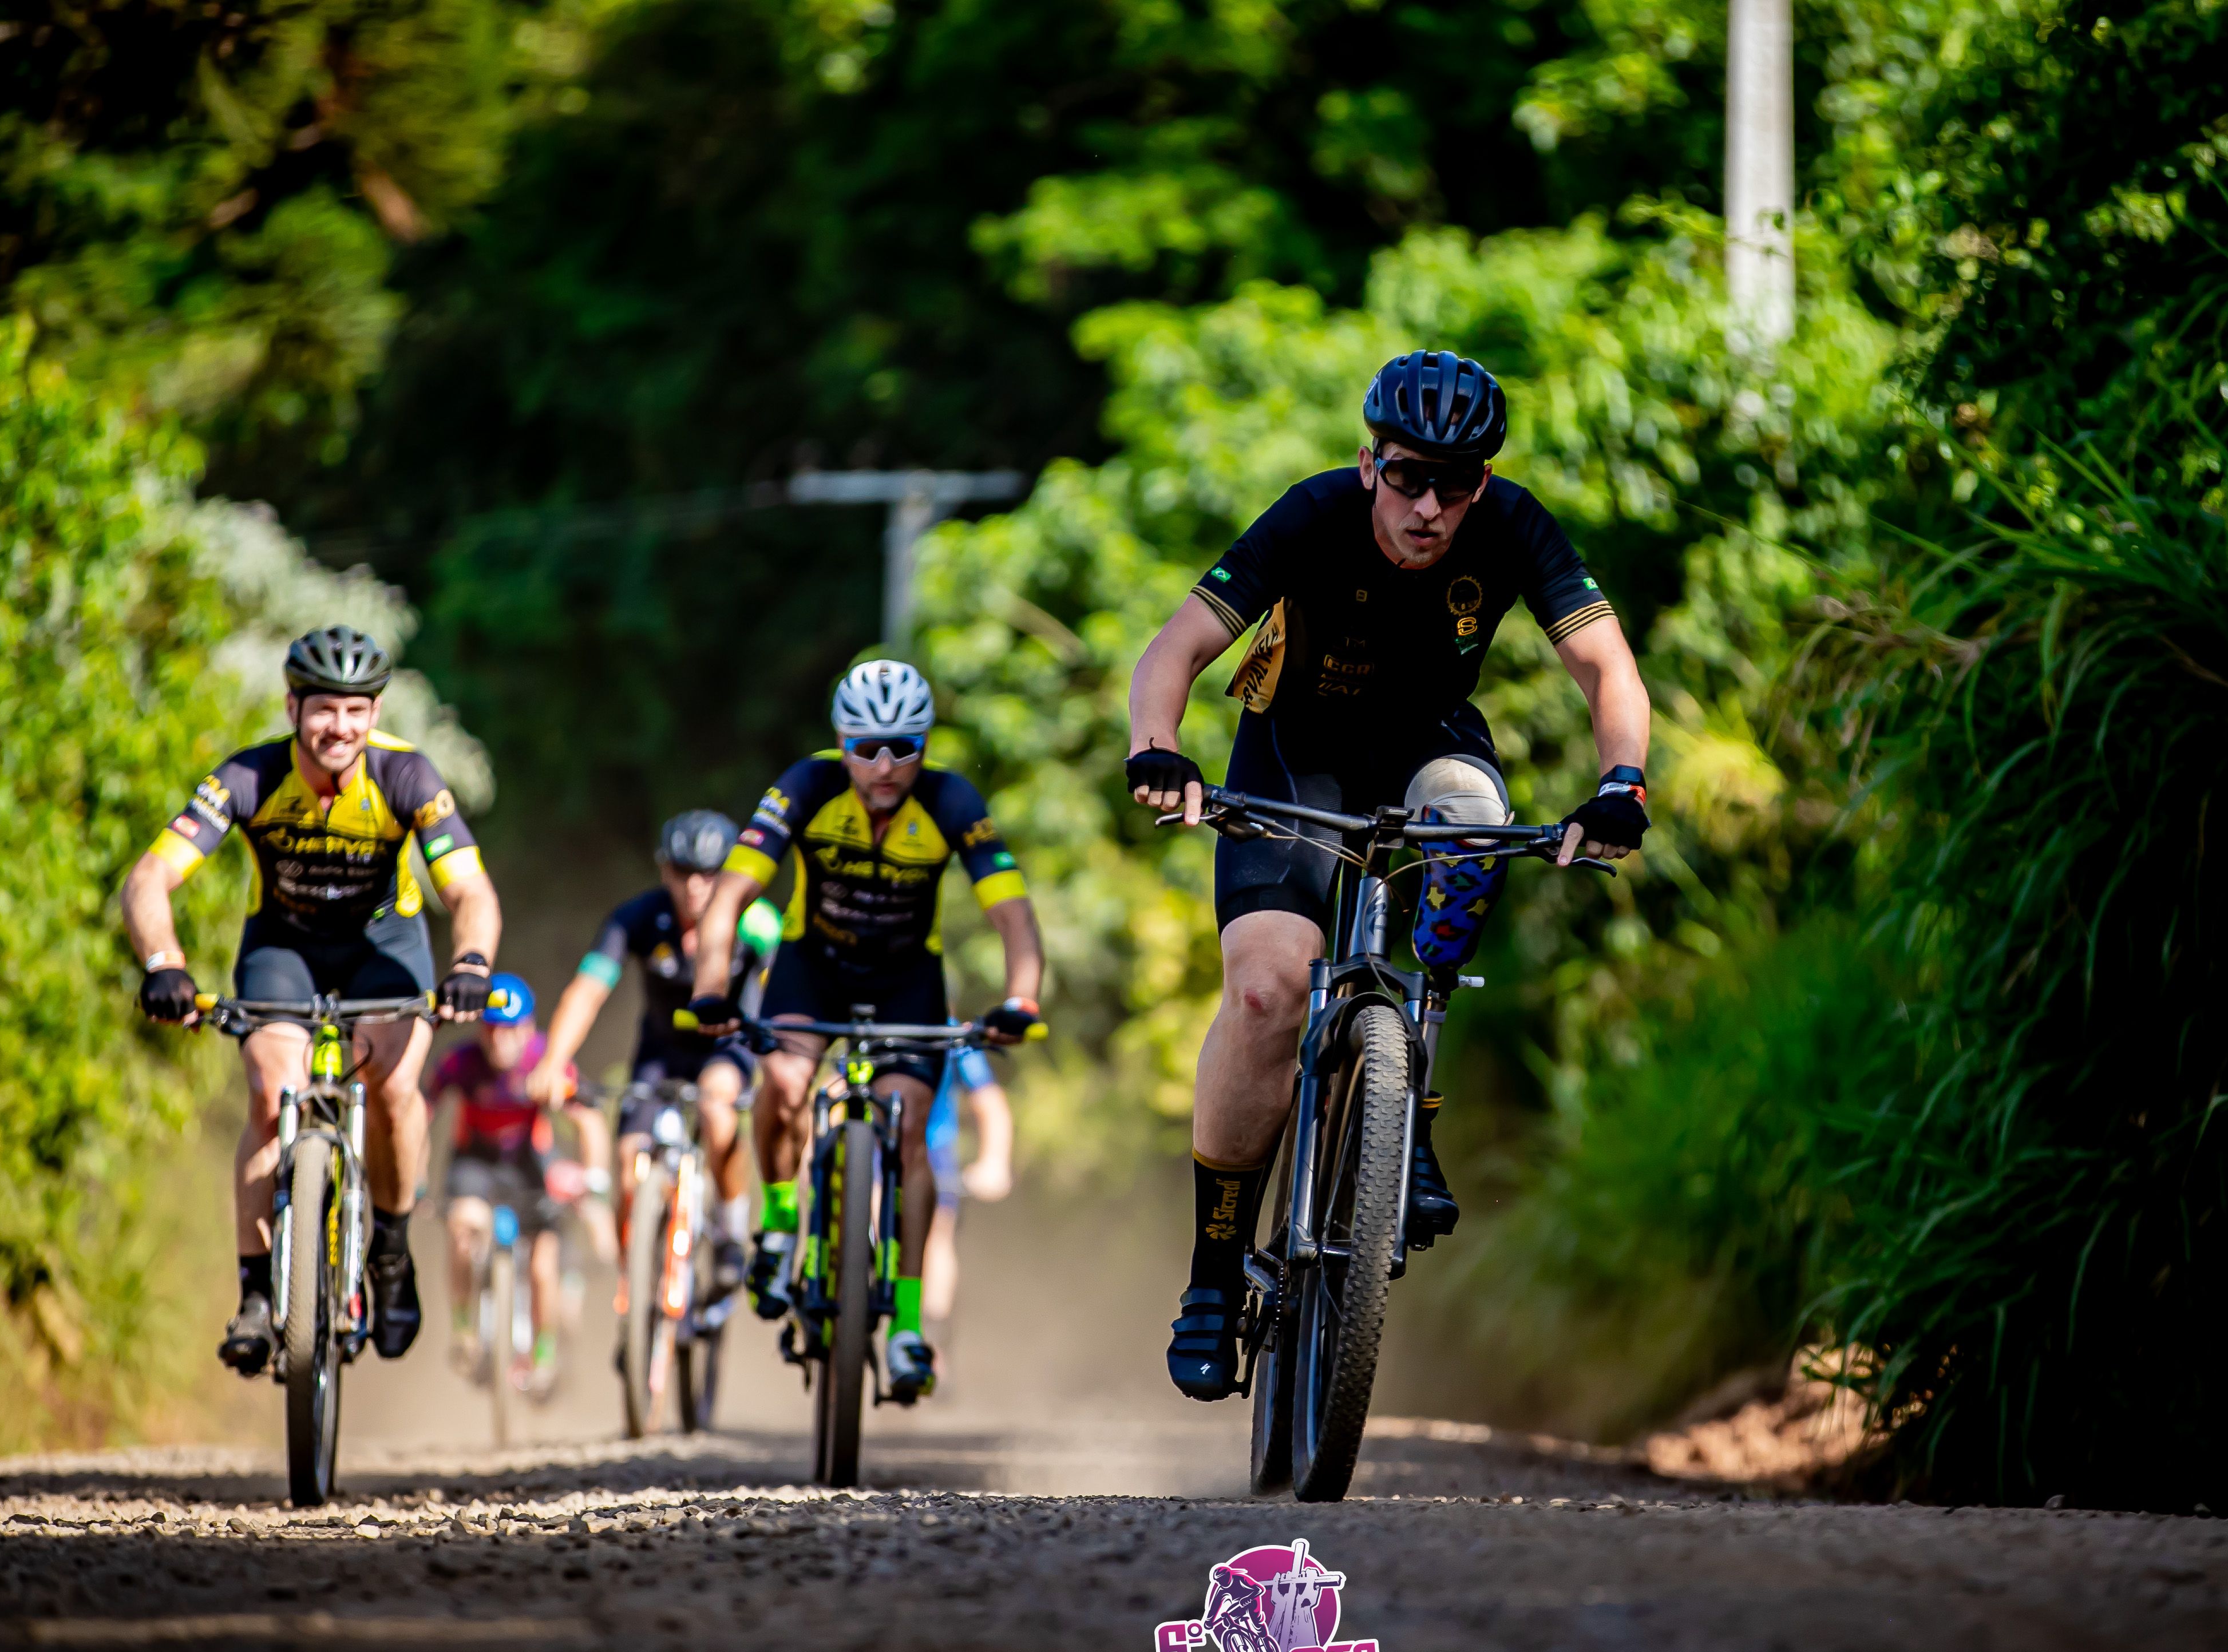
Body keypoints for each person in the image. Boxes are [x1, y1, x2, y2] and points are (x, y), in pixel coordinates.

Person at [1122, 350, 1653, 1400]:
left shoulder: (1514, 526)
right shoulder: (1313, 514)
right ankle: (1215, 1273)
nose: (1429, 507)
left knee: (1477, 825)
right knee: (1267, 992)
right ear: (1371, 464)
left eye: (1456, 485)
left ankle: (1408, 1113)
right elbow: (1175, 649)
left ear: (1483, 484)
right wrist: (1158, 747)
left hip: (1428, 744)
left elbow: (1607, 667)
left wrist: (1623, 783)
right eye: (1408, 476)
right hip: (1295, 754)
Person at [121, 625, 503, 1374]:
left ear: (376, 713)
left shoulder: (407, 776)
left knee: (394, 1088)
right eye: (325, 709)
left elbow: (470, 891)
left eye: (357, 711)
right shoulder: (249, 776)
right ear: (293, 707)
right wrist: (164, 965)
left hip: (383, 949)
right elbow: (149, 879)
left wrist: (472, 963)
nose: (341, 727)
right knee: (272, 1094)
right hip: (284, 948)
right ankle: (256, 1295)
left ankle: (390, 1249)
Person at [686, 660, 1045, 1403]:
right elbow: (731, 896)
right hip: (812, 966)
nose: (884, 767)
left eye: (904, 748)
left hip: (907, 979)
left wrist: (1022, 998)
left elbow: (1011, 912)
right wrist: (711, 987)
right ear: (841, 742)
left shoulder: (951, 799)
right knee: (784, 1078)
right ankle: (779, 1222)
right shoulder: (806, 785)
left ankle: (908, 1324)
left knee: (909, 1125)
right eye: (866, 748)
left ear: (926, 745)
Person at [527, 810, 782, 1305]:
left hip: (727, 1048)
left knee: (718, 1109)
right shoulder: (637, 918)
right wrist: (553, 1061)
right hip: (661, 1052)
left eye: (709, 874)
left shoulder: (757, 922)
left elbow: (784, 994)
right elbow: (588, 991)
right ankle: (638, 1293)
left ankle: (730, 1232)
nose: (696, 886)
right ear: (665, 870)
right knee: (628, 1161)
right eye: (683, 872)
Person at [426, 972, 616, 1390]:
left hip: (529, 1163)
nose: (501, 1042)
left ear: (529, 1029)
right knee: (463, 1230)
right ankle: (464, 1329)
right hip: (475, 1162)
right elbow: (422, 1110)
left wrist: (596, 1189)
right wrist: (413, 1179)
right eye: (492, 1030)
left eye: (511, 1031)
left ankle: (543, 1354)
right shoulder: (461, 1062)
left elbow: (589, 1121)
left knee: (544, 1265)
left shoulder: (546, 1060)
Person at [918, 1042, 1015, 1324]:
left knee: (938, 1234)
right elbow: (834, 1090)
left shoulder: (954, 1039)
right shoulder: (871, 1026)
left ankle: (932, 1333)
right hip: (874, 1149)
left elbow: (990, 1103)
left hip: (935, 1153)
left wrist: (995, 1162)